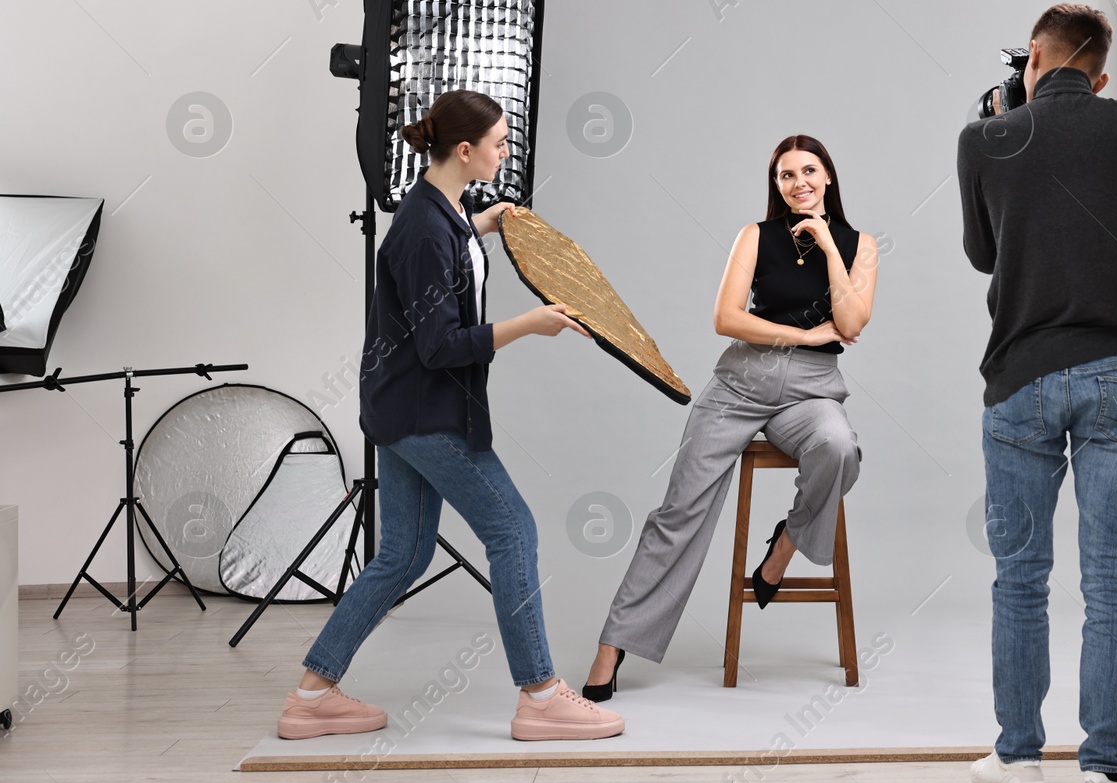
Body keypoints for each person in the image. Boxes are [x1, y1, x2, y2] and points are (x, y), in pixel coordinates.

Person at [276, 89, 624, 743]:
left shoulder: (443, 209)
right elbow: (438, 346)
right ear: (465, 152)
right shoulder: (424, 232)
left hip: (400, 407)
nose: (507, 151)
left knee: (402, 556)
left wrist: (483, 224)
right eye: (499, 143)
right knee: (513, 530)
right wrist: (529, 324)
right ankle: (541, 697)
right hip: (423, 413)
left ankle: (310, 698)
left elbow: (445, 263)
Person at [957, 4, 1117, 783]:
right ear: (1102, 72)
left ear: (1034, 58)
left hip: (1020, 378)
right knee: (1114, 583)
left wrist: (1011, 122)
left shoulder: (985, 139)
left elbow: (987, 252)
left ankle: (1016, 762)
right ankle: (1106, 782)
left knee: (1021, 578)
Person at [583, 134, 878, 699]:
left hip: (811, 392)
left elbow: (853, 321)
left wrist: (828, 245)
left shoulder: (860, 245)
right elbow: (726, 317)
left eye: (809, 171)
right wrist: (800, 334)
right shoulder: (756, 235)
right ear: (776, 185)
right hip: (740, 384)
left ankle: (783, 549)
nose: (800, 183)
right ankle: (612, 647)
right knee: (679, 511)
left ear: (829, 177)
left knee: (839, 447)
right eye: (786, 176)